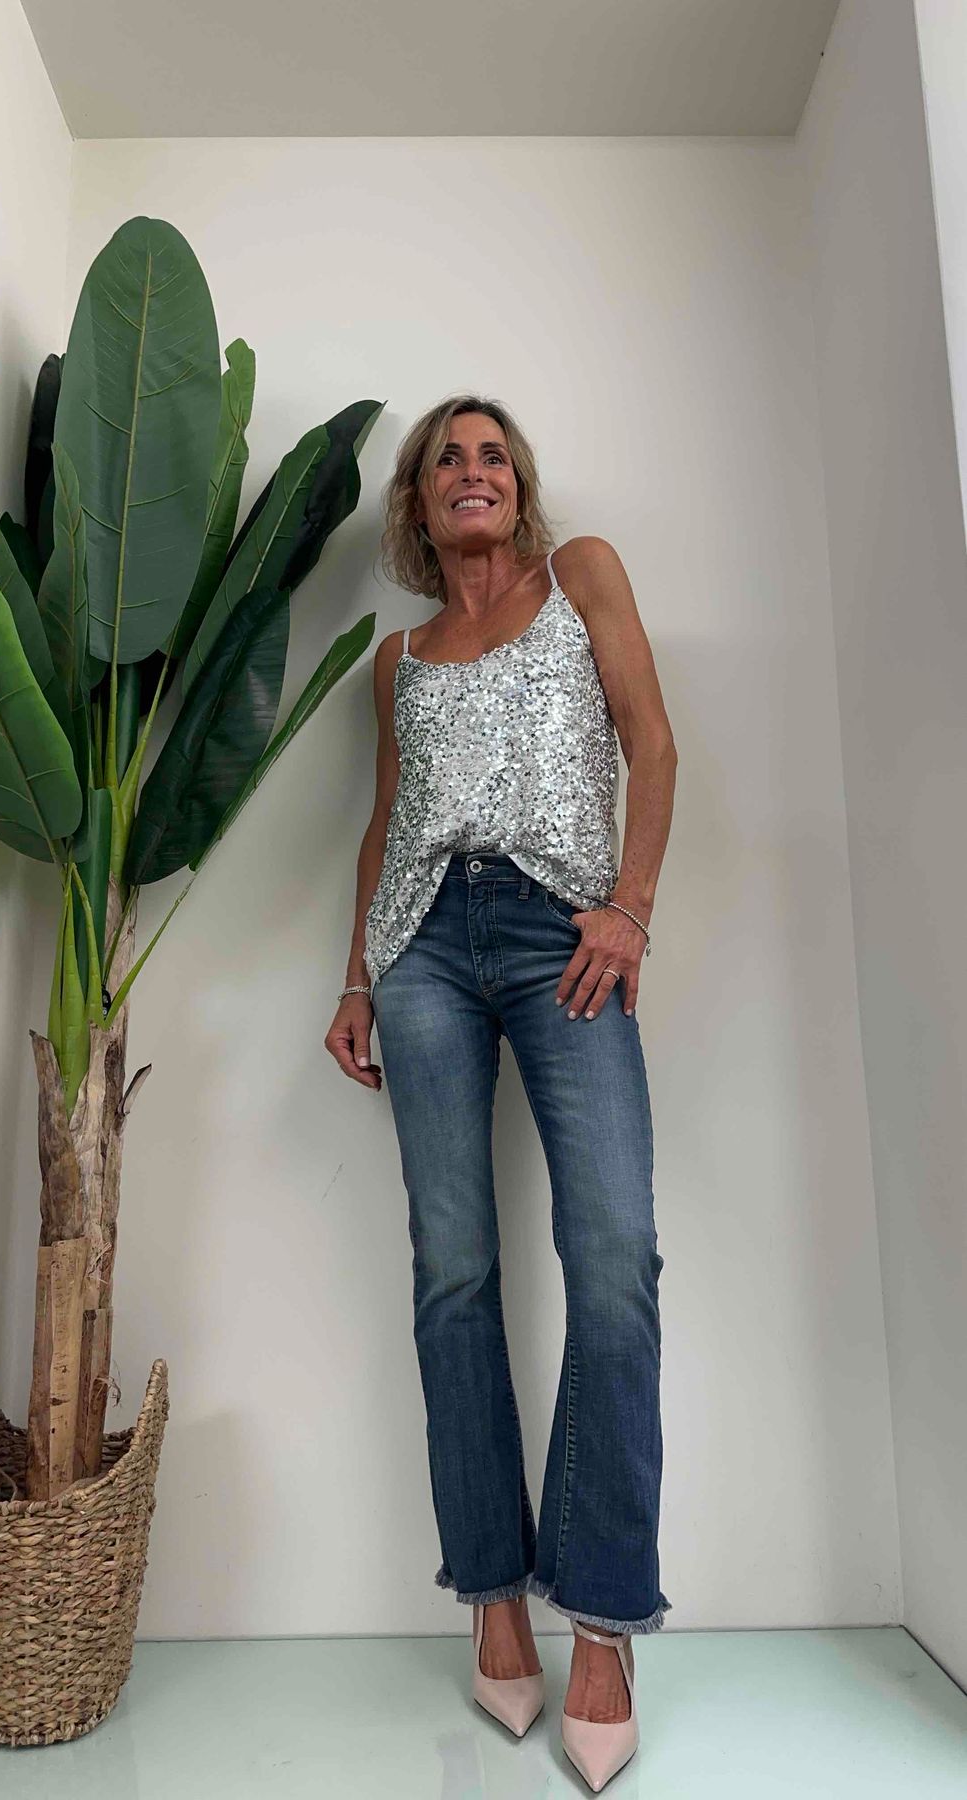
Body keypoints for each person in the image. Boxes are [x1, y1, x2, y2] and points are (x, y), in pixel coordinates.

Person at [325, 392, 677, 1791]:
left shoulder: (581, 575)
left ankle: (603, 1619)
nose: (470, 472)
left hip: (559, 939)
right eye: (444, 461)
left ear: (517, 486)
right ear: (418, 503)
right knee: (454, 1271)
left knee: (614, 1258)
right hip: (422, 952)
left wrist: (628, 908)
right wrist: (358, 977)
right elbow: (388, 823)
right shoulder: (399, 658)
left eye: (490, 455)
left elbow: (652, 743)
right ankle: (491, 1597)